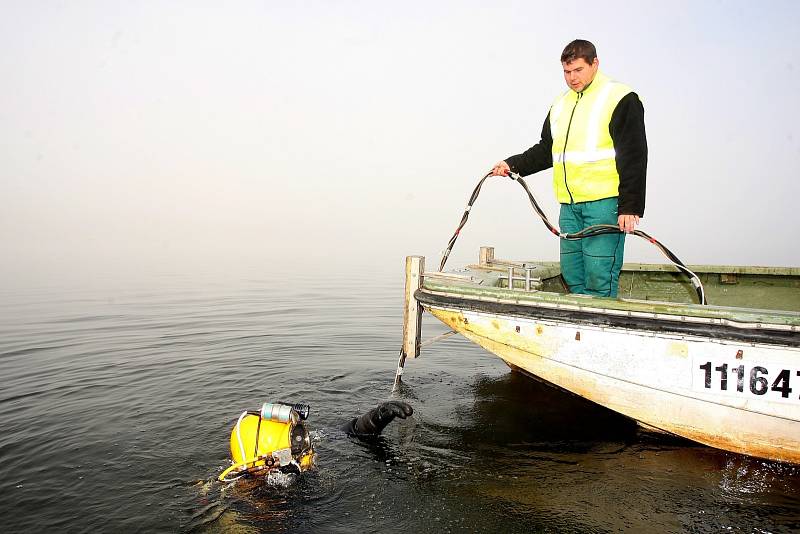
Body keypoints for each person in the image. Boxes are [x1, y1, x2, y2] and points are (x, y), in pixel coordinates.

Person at [491, 39, 647, 298]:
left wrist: (630, 206)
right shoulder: (560, 104)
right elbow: (546, 150)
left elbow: (634, 154)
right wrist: (512, 164)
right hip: (569, 207)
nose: (572, 78)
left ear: (594, 63)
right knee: (572, 274)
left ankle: (600, 331)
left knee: (600, 276)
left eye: (578, 70)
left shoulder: (619, 97)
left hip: (604, 205)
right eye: (566, 71)